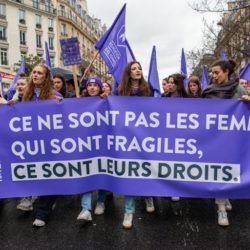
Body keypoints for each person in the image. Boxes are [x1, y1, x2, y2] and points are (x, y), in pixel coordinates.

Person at [202, 59, 249, 226]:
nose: (213, 76)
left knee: (228, 171)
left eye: (217, 73)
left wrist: (247, 102)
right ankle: (221, 208)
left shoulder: (239, 89)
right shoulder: (208, 90)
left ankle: (225, 195)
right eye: (212, 73)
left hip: (232, 140)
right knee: (218, 171)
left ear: (226, 72)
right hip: (213, 139)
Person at [23, 63, 62, 227]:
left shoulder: (54, 95)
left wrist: (60, 105)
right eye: (34, 72)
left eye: (39, 73)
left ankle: (42, 213)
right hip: (33, 143)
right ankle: (49, 200)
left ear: (46, 77)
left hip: (50, 144)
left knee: (48, 174)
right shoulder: (27, 95)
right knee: (38, 176)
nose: (36, 75)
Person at [117, 61, 155, 229]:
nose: (138, 70)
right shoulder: (119, 91)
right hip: (127, 138)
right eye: (134, 69)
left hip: (145, 136)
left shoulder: (149, 89)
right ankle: (129, 211)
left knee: (146, 168)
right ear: (128, 73)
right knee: (129, 172)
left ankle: (148, 195)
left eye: (139, 68)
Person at [77, 76, 107, 222]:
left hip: (104, 145)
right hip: (87, 144)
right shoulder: (80, 102)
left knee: (102, 173)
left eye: (96, 85)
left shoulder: (106, 100)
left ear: (100, 87)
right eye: (90, 85)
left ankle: (101, 201)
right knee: (86, 173)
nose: (93, 88)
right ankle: (85, 208)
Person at [165, 73, 188, 201]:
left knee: (180, 162)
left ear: (179, 84)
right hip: (168, 135)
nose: (170, 84)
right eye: (169, 82)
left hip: (183, 136)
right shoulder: (164, 97)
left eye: (173, 82)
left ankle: (179, 188)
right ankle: (170, 188)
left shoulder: (187, 99)